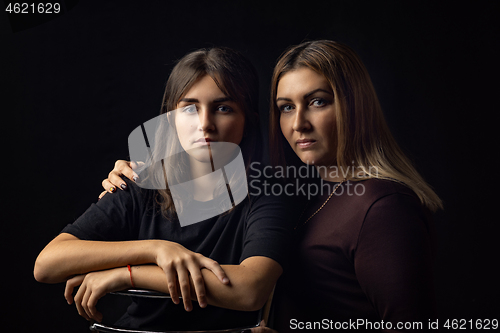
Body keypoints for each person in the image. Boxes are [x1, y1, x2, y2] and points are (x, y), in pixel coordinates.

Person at [104, 40, 442, 332]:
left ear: (356, 106)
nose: (298, 123)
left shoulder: (383, 207)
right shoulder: (305, 192)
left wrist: (128, 273)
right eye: (286, 108)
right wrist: (140, 174)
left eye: (318, 101)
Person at [34, 47, 296, 331]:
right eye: (189, 109)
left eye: (224, 108)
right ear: (170, 119)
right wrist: (156, 250)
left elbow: (250, 289)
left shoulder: (268, 190)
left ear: (248, 120)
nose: (205, 124)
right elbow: (47, 265)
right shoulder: (140, 182)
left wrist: (128, 274)